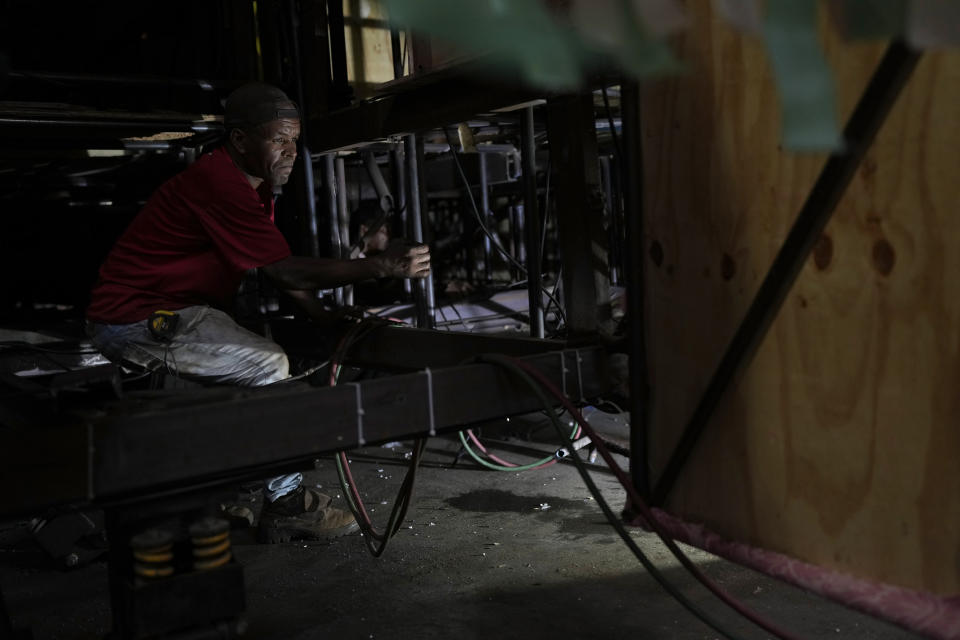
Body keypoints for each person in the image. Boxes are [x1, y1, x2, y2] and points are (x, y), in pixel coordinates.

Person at [85, 83, 431, 543]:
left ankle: (222, 490)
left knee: (246, 375)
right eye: (277, 140)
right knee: (266, 364)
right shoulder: (219, 184)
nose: (289, 151)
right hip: (138, 321)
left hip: (167, 312)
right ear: (241, 140)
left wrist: (325, 320)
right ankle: (286, 503)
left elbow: (272, 271)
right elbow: (287, 272)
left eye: (293, 140)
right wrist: (380, 265)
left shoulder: (253, 187)